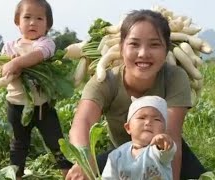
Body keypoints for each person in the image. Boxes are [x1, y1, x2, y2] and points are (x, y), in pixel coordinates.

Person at [67, 9, 206, 180]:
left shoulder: (175, 77)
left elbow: (171, 133)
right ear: (121, 48)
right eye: (134, 44)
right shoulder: (105, 81)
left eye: (154, 45)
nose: (143, 53)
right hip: (123, 155)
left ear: (166, 49)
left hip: (163, 151)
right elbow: (83, 121)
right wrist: (84, 161)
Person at [0, 0, 72, 178]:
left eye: (39, 18)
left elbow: (39, 54)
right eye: (27, 17)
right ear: (17, 21)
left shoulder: (47, 43)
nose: (33, 22)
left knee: (57, 142)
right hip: (15, 106)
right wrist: (10, 67)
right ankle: (16, 175)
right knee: (18, 145)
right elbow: (4, 70)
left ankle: (69, 174)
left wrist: (17, 62)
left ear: (48, 25)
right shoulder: (9, 47)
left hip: (42, 108)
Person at [102, 95, 177, 179]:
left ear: (164, 130)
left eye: (157, 119)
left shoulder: (158, 151)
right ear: (128, 128)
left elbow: (168, 151)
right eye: (141, 118)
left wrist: (164, 143)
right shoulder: (116, 156)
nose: (148, 122)